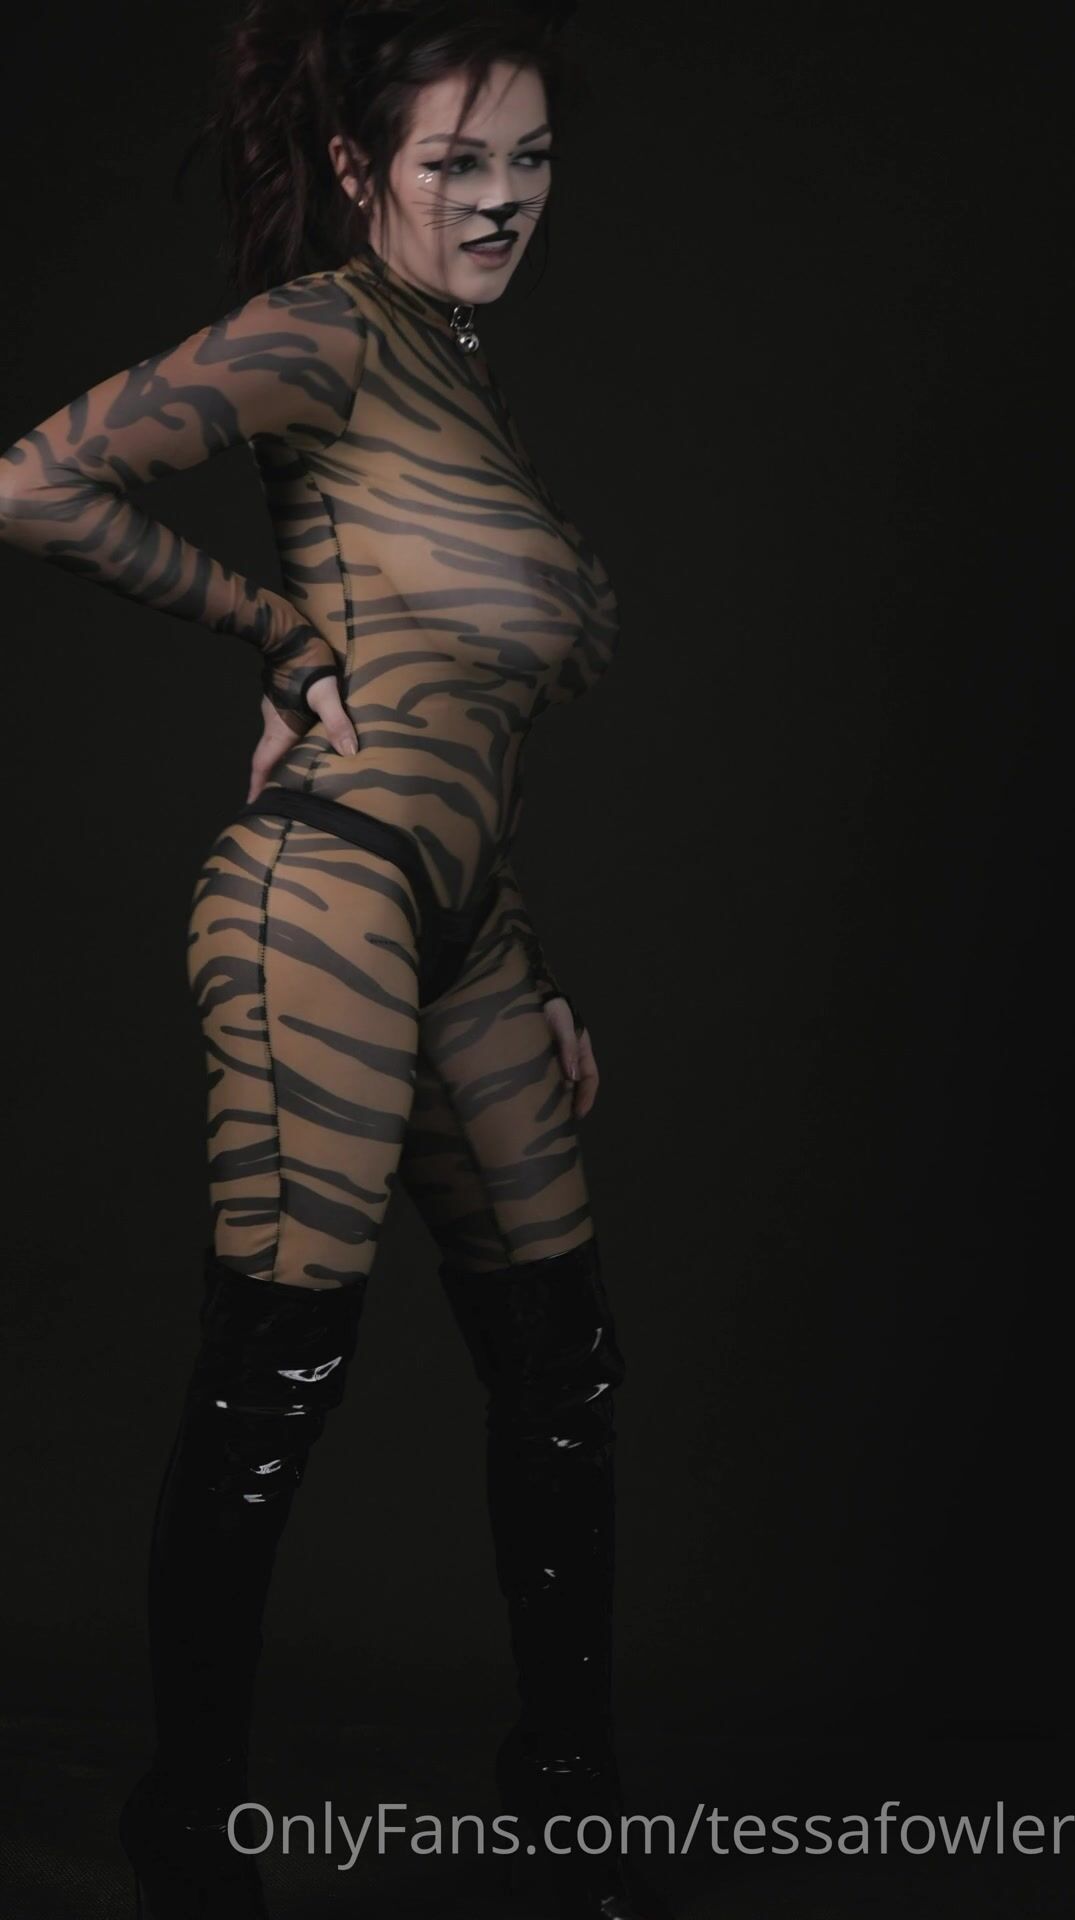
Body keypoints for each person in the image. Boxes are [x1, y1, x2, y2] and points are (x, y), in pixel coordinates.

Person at [0, 5, 672, 1917]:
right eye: (458, 162)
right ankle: (192, 1829)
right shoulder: (327, 330)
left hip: (466, 924)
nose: (502, 197)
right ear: (367, 170)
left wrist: (526, 961)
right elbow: (33, 481)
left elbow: (466, 714)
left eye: (530, 159)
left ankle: (567, 1798)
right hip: (327, 895)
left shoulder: (465, 380)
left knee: (564, 1365)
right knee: (284, 1365)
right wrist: (276, 630)